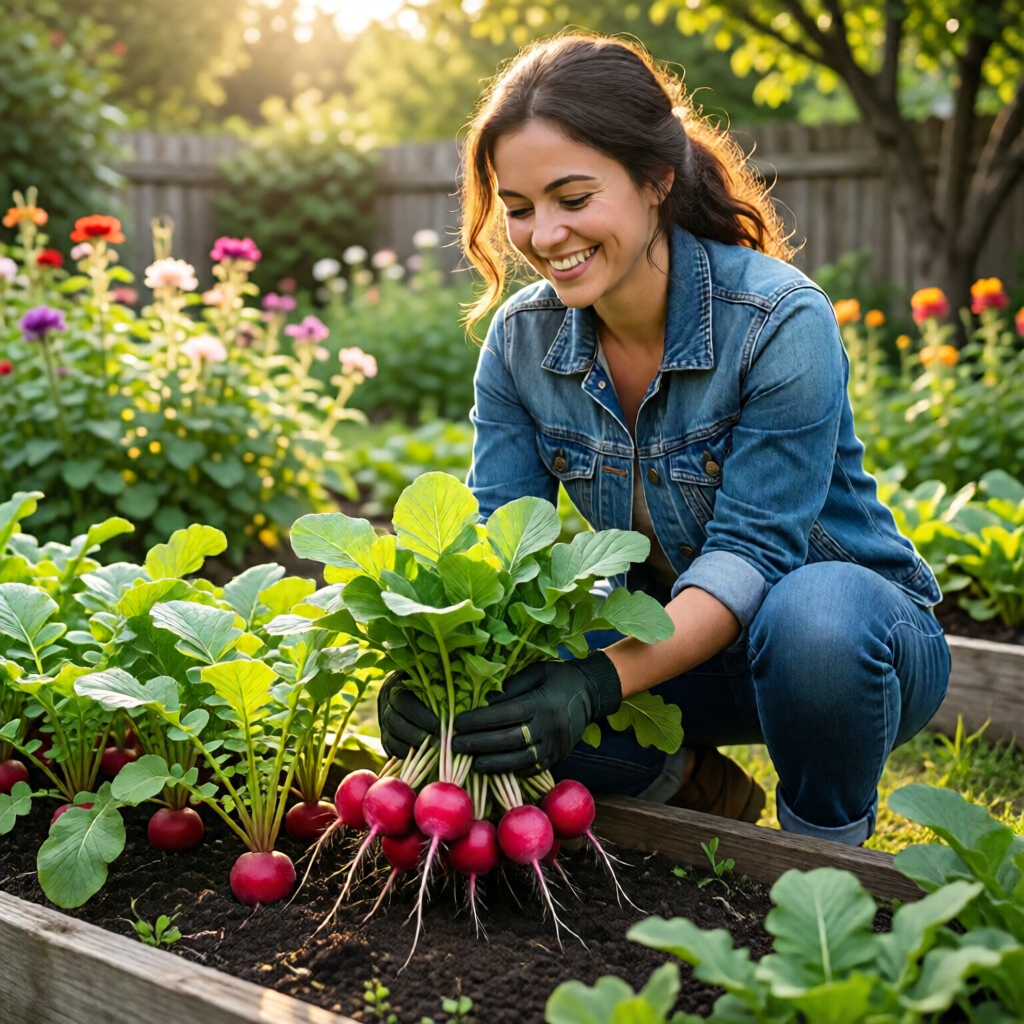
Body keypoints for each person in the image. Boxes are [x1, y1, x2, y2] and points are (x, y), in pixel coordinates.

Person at [378, 33, 950, 846]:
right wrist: (438, 676)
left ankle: (823, 854)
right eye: (520, 208)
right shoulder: (520, 342)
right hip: (675, 655)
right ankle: (690, 785)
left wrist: (593, 684)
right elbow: (497, 548)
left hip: (848, 648)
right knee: (494, 704)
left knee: (812, 617)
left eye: (574, 197)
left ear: (656, 178)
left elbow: (750, 557)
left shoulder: (778, 320)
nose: (545, 234)